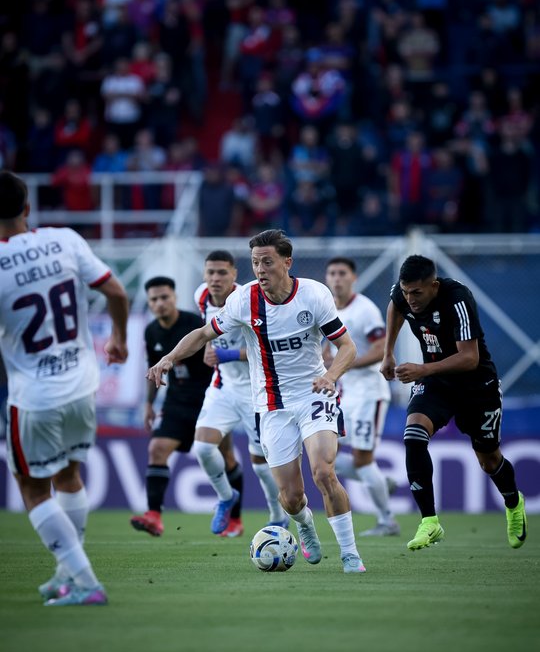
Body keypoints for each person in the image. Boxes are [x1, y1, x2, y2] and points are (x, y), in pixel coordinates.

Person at [147, 229, 366, 574]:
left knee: (324, 472)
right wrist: (169, 358)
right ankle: (305, 525)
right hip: (271, 405)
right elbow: (203, 334)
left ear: (287, 262)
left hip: (314, 395)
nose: (260, 270)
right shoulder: (243, 300)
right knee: (291, 498)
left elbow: (347, 347)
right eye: (255, 263)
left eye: (267, 262)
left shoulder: (313, 294)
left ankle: (350, 554)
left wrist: (331, 376)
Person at [0, 170, 129, 606]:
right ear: (28, 207)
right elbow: (116, 291)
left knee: (33, 489)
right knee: (69, 476)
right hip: (81, 383)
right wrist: (119, 339)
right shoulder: (64, 240)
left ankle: (87, 583)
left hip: (33, 395)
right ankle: (66, 575)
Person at [380, 254, 527, 550]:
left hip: (476, 386)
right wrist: (388, 353)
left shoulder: (457, 299)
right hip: (437, 383)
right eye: (406, 292)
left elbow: (470, 358)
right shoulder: (402, 294)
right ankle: (429, 521)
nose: (410, 299)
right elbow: (395, 306)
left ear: (433, 286)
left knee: (489, 460)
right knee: (413, 435)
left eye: (416, 293)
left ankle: (513, 502)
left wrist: (422, 369)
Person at [130, 277, 242, 537]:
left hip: (208, 399)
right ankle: (154, 516)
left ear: (175, 297)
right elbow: (153, 367)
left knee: (226, 456)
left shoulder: (194, 323)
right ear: (149, 303)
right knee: (157, 449)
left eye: (164, 297)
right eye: (154, 299)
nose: (160, 303)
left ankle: (235, 520)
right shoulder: (151, 331)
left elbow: (213, 349)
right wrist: (148, 404)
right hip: (176, 402)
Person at [193, 250, 289, 536]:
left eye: (222, 272)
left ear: (234, 274)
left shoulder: (248, 299)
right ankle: (226, 497)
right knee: (203, 447)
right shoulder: (201, 296)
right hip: (223, 386)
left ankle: (277, 515)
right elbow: (208, 331)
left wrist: (229, 354)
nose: (215, 278)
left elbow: (267, 348)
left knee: (260, 463)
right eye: (210, 272)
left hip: (256, 391)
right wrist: (209, 350)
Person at [325, 257, 399, 536]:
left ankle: (387, 521)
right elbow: (326, 348)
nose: (337, 278)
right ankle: (378, 481)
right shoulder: (327, 309)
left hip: (369, 394)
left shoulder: (365, 309)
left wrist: (344, 364)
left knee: (363, 459)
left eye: (342, 273)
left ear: (353, 277)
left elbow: (381, 349)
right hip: (344, 394)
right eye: (332, 273)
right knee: (325, 455)